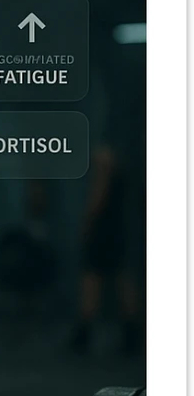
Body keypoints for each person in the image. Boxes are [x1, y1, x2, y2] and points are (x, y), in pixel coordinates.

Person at [68, 143, 142, 356]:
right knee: (120, 277)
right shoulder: (121, 159)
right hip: (116, 226)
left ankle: (84, 332)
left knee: (92, 278)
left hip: (103, 228)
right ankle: (130, 332)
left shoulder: (103, 157)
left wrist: (87, 221)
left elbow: (98, 193)